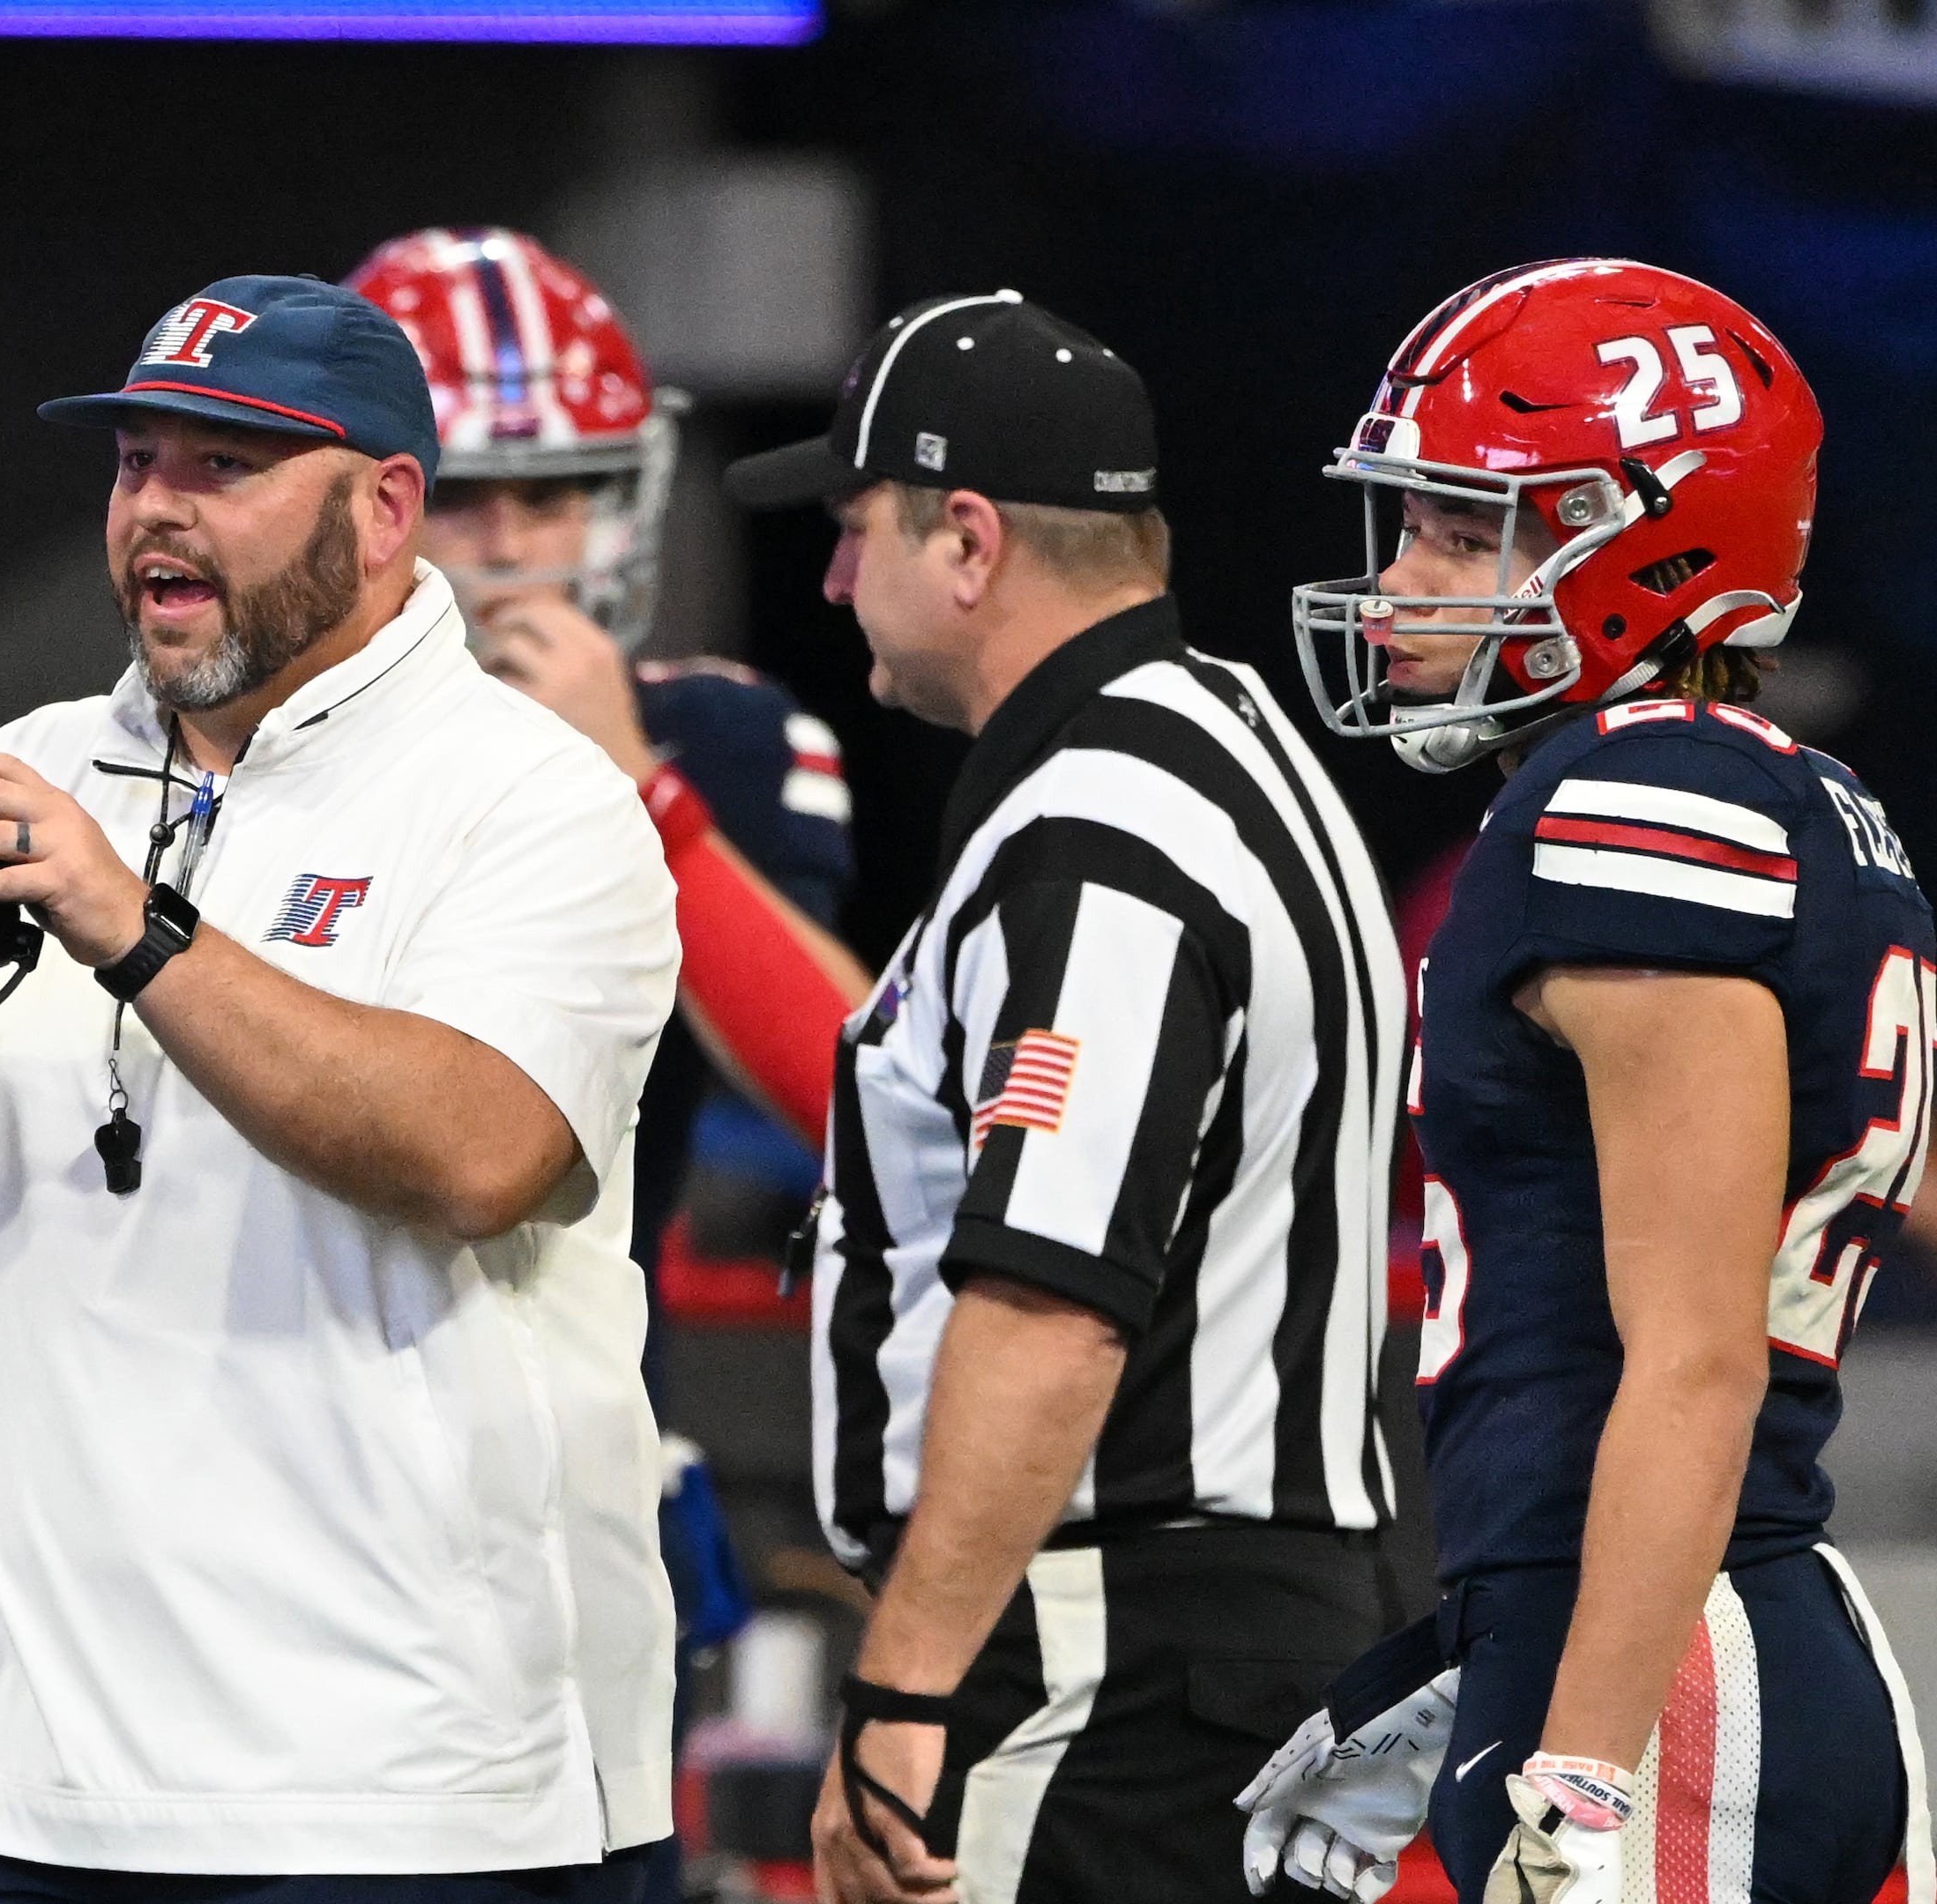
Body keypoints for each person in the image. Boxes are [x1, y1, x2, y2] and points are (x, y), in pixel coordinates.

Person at [0, 274, 682, 1894]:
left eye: (226, 465)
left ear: (386, 507)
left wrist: (135, 927)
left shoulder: (532, 796)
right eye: (137, 460)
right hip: (40, 1779)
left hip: (415, 1790)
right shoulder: (43, 767)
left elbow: (479, 1151)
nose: (157, 507)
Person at [1239, 259, 1926, 1904]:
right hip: (1703, 1628)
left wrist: (1583, 1770)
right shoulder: (1797, 802)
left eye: (1460, 533)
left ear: (1649, 542)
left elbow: (1696, 1359)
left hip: (1672, 1668)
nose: (1398, 585)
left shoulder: (1632, 804)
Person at [727, 291, 1406, 1904]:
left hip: (1121, 1658)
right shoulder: (1225, 737)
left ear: (967, 541)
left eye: (855, 531)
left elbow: (1053, 1299)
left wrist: (905, 1689)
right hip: (1230, 1632)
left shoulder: (1103, 825)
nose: (833, 583)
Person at [346, 225, 869, 1271]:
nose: (509, 547)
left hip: (579, 1360)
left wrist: (641, 788)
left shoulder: (711, 739)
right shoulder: (231, 744)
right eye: (458, 496)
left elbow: (853, 1102)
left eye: (551, 495)